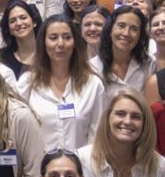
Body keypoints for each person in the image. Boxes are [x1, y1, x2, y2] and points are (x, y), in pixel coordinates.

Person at [27, 13, 106, 153]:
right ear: (43, 43)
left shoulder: (93, 84)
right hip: (40, 169)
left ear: (75, 42)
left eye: (67, 37)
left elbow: (97, 136)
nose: (61, 44)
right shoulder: (28, 83)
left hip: (81, 169)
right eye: (53, 38)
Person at [96, 5, 152, 99]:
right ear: (110, 29)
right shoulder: (92, 68)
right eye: (121, 26)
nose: (126, 33)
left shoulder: (149, 64)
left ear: (140, 35)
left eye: (134, 29)